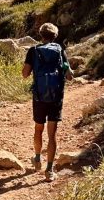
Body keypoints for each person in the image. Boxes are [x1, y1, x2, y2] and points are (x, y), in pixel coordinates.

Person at [22, 23, 74, 182]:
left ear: (41, 35)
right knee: (52, 134)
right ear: (55, 36)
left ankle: (37, 159)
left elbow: (25, 74)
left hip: (39, 97)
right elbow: (69, 76)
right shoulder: (60, 50)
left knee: (38, 129)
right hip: (56, 97)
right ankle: (49, 170)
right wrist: (65, 67)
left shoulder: (33, 50)